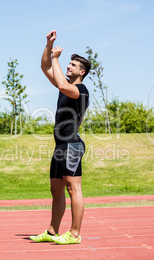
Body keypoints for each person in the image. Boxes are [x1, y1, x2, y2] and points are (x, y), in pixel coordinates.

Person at [30, 30, 91, 245]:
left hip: (72, 145)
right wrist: (49, 46)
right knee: (56, 189)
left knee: (73, 188)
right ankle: (52, 231)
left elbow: (64, 84)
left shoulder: (79, 90)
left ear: (81, 72)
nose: (68, 66)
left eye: (73, 65)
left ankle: (74, 234)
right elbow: (45, 67)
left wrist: (57, 58)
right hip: (60, 146)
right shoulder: (65, 87)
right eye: (69, 64)